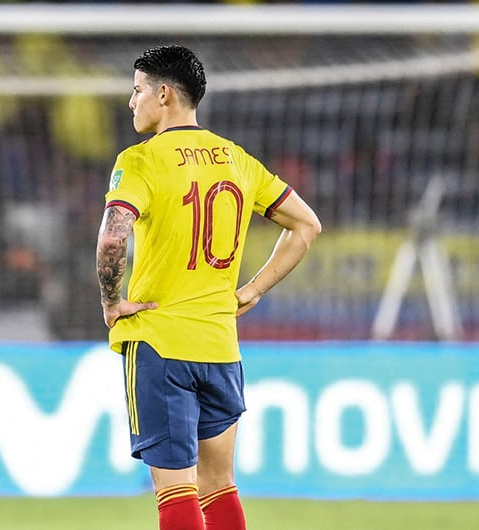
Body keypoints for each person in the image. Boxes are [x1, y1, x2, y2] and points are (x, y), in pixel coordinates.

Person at [95, 45, 321, 530]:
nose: (131, 101)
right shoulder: (236, 159)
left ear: (163, 94)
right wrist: (254, 289)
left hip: (160, 342)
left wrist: (112, 301)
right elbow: (306, 225)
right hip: (220, 345)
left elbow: (113, 236)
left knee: (176, 490)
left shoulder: (141, 161)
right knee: (219, 485)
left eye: (136, 91)